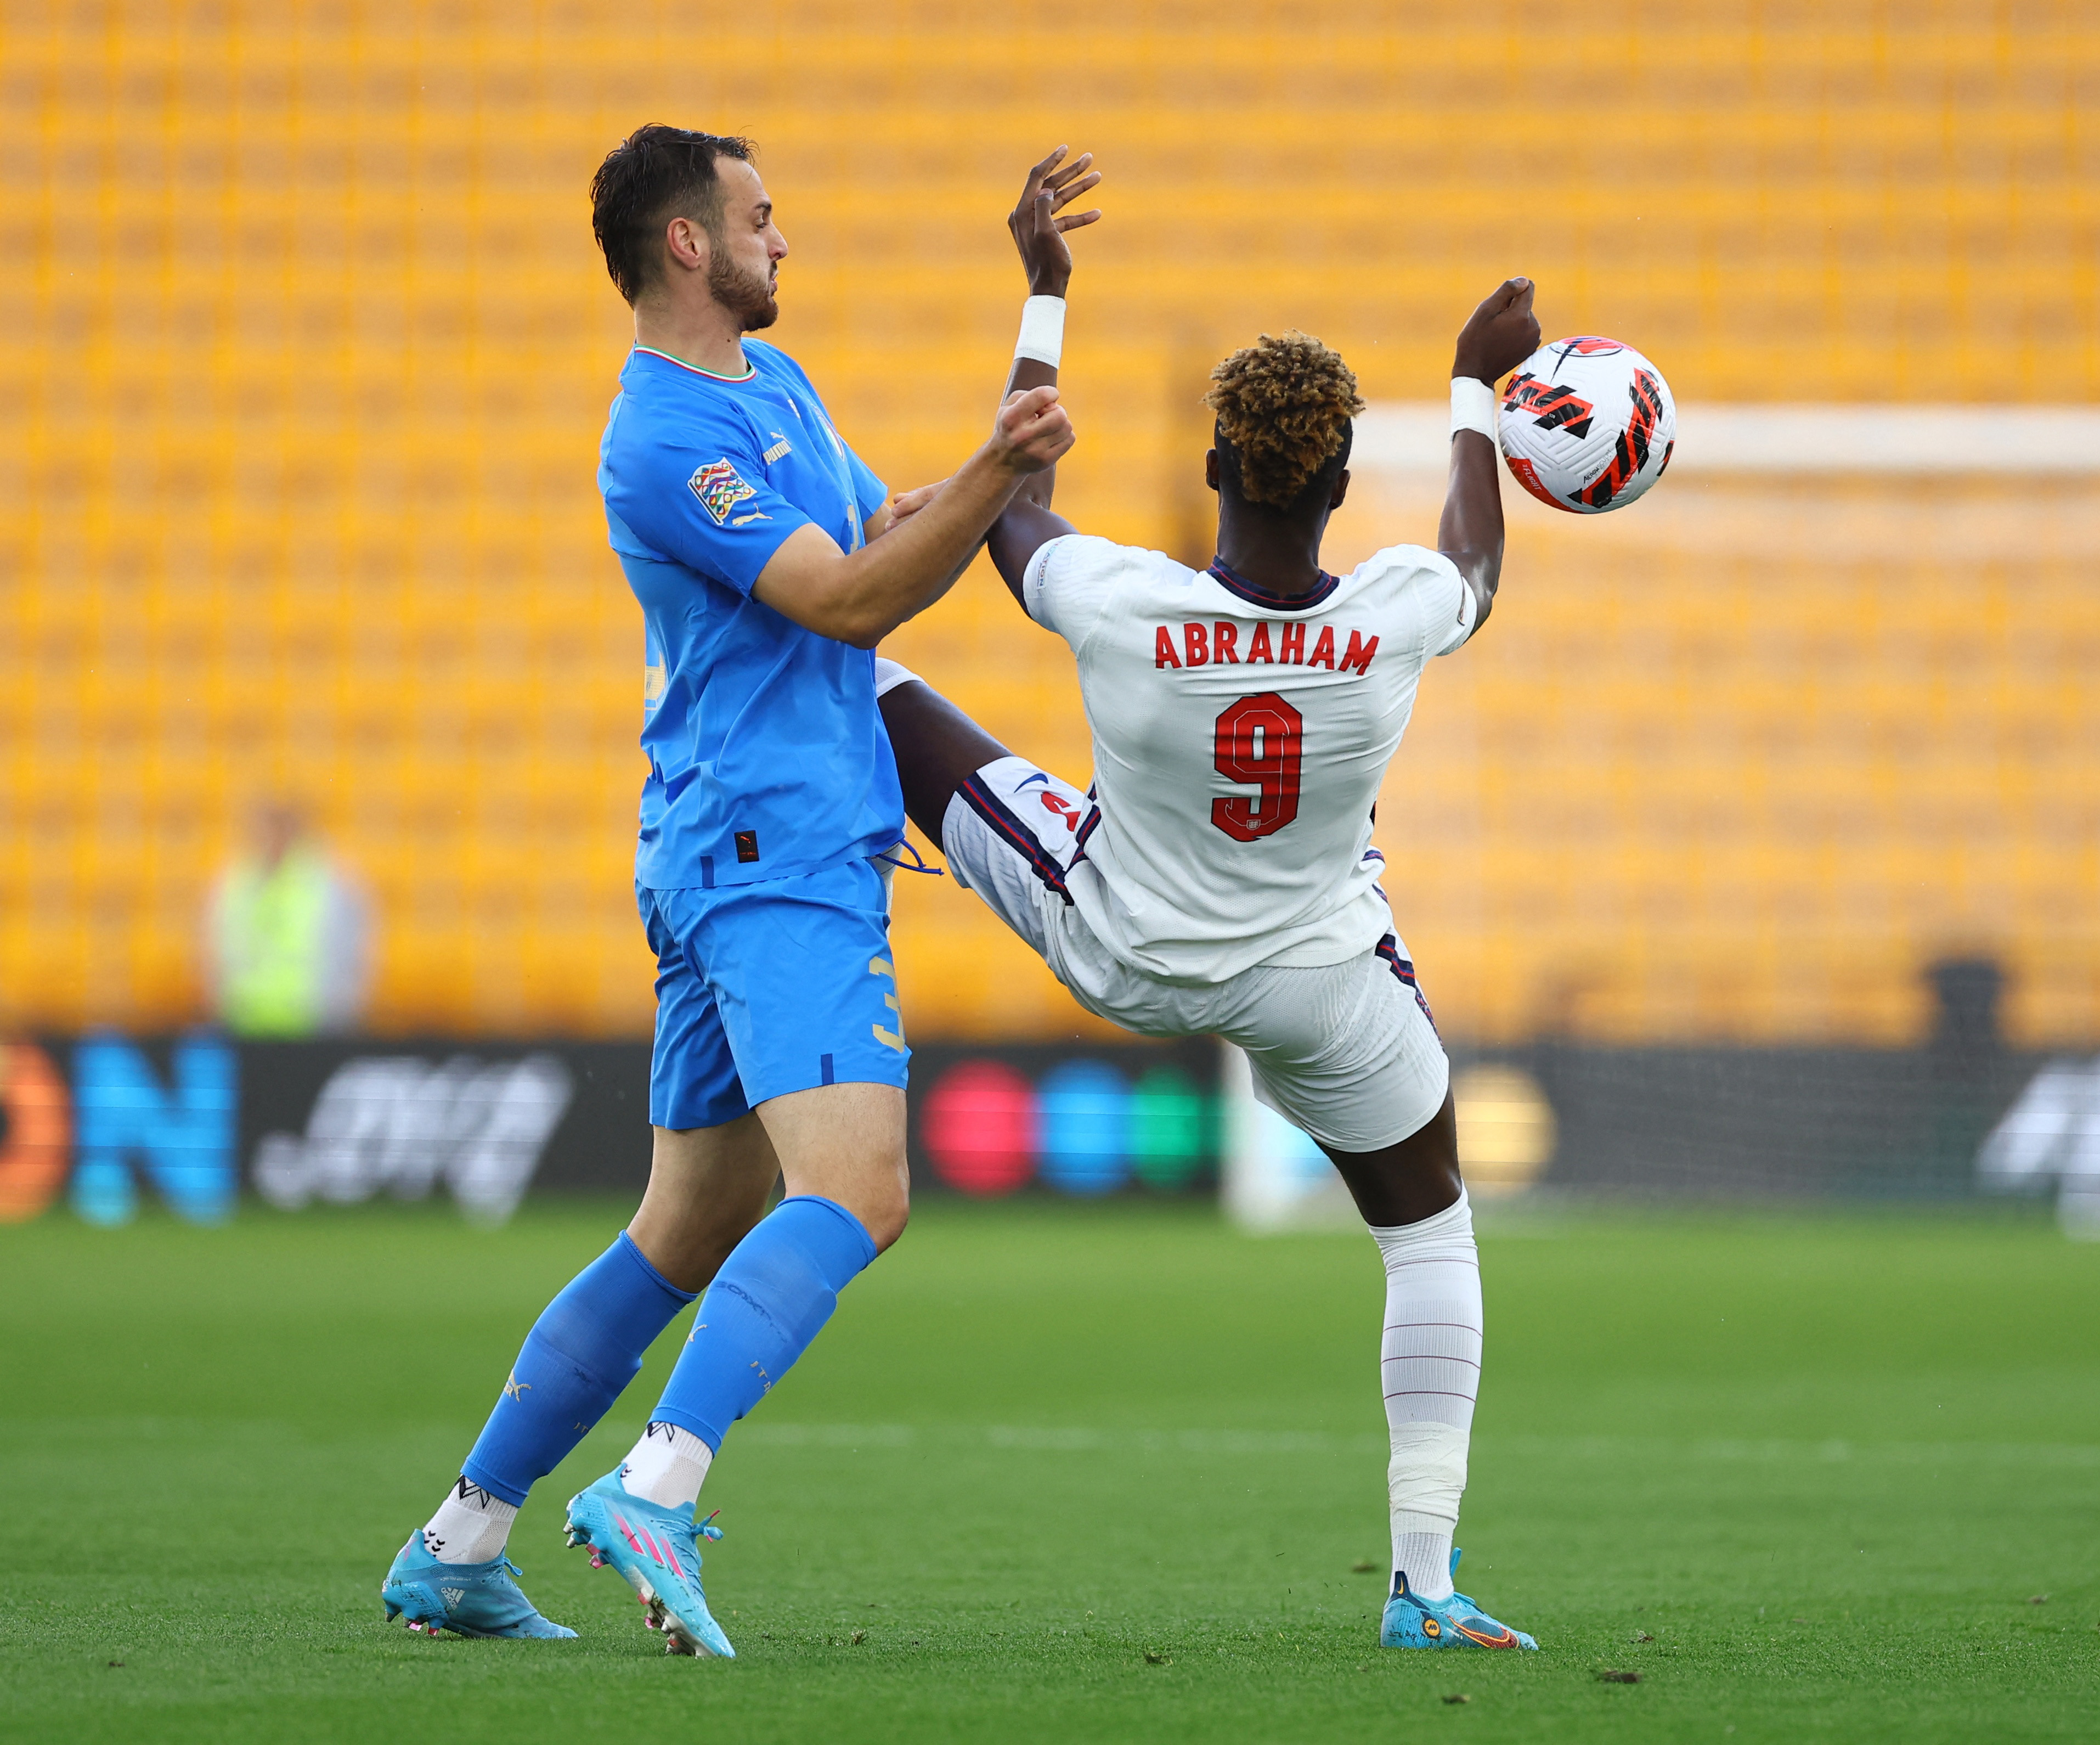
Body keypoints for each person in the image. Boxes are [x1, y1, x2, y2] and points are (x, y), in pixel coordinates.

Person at [379, 127, 1089, 1656]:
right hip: (774, 848)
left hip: (731, 841)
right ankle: (657, 1483)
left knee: (683, 1228)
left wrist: (1027, 346)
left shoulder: (774, 388)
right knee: (860, 1192)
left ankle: (460, 1537)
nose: (789, 240)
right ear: (689, 243)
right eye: (764, 218)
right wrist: (999, 474)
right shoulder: (657, 437)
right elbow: (843, 597)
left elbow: (884, 531)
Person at [875, 177, 1545, 1651]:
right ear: (1341, 480)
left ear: (1210, 463)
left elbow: (1014, 500)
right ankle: (1425, 1587)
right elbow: (1480, 563)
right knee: (1430, 1231)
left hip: (1117, 931)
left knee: (851, 677)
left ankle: (786, 877)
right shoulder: (1392, 612)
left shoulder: (1116, 595)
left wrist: (1045, 293)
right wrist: (1475, 384)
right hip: (1316, 969)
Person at [206, 801, 369, 1037]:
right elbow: (219, 947)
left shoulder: (330, 882)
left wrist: (342, 1009)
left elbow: (352, 947)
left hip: (314, 1022)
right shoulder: (234, 882)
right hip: (247, 1021)